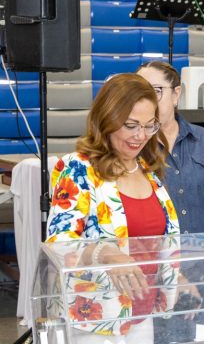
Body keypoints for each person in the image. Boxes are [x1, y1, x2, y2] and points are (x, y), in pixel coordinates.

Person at [46, 73, 183, 342]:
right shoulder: (79, 169)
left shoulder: (149, 171)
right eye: (131, 125)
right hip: (95, 323)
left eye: (149, 125)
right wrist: (105, 253)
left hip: (143, 316)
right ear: (107, 120)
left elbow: (155, 242)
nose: (141, 136)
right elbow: (58, 243)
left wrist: (180, 275)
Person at [136, 61, 204, 337]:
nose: (147, 99)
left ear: (176, 94)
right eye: (139, 91)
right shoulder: (134, 148)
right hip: (158, 280)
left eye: (155, 90)